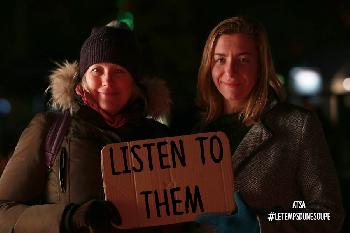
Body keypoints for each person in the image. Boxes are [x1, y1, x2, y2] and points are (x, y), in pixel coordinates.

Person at [0, 21, 184, 233]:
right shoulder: (50, 130)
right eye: (97, 70)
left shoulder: (159, 137)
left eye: (119, 71)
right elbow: (3, 212)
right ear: (83, 78)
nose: (107, 81)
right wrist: (69, 217)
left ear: (134, 82)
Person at [194, 16, 345, 233]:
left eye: (243, 59)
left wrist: (262, 226)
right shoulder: (197, 133)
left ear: (261, 66)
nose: (230, 71)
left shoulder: (297, 125)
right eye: (220, 60)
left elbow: (327, 212)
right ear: (208, 66)